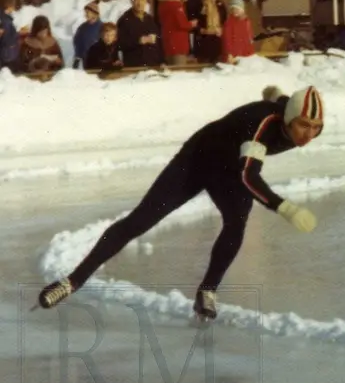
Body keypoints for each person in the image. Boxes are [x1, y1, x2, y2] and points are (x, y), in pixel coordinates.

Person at [37, 85, 326, 321]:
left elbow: (284, 101)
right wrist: (285, 207)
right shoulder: (263, 126)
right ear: (288, 120)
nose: (309, 134)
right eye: (303, 126)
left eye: (316, 127)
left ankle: (207, 292)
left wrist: (274, 95)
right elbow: (249, 176)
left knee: (236, 225)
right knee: (141, 220)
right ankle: (72, 281)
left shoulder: (291, 114)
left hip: (231, 168)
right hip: (198, 160)